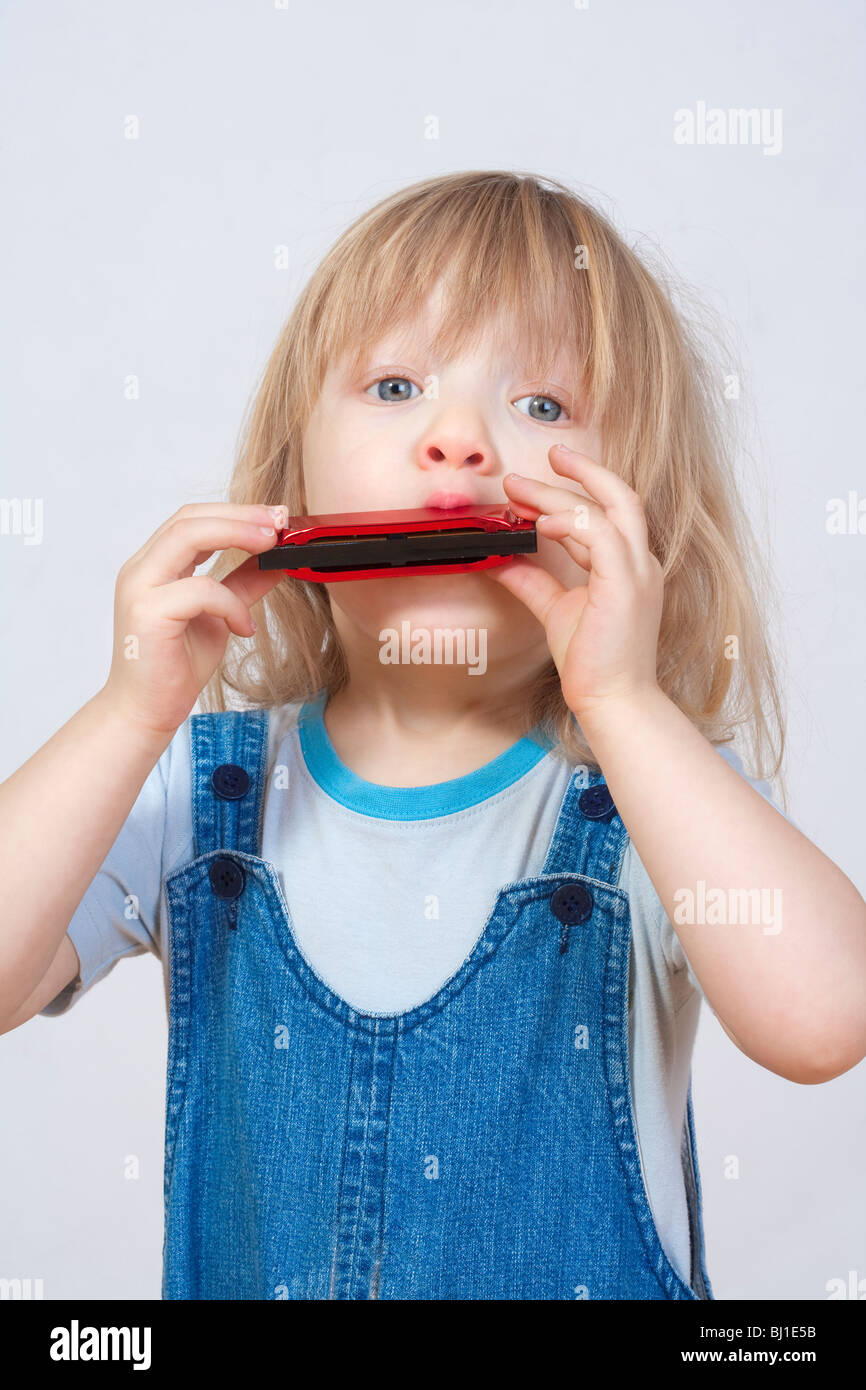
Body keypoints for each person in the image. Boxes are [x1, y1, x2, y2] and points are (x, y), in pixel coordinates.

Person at [2, 170, 864, 1300]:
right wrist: (126, 713)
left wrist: (625, 702)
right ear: (289, 479)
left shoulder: (649, 798)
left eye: (542, 407)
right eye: (395, 384)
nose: (456, 439)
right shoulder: (195, 790)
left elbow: (822, 1019)